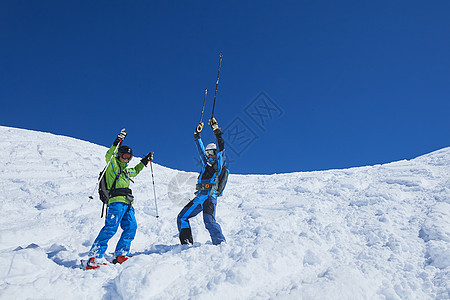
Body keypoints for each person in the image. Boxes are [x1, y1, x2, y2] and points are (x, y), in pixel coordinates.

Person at [86, 130, 153, 269]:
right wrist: (118, 141)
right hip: (116, 203)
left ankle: (121, 254)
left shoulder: (127, 171)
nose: (127, 159)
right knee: (111, 228)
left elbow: (136, 170)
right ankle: (94, 256)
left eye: (129, 157)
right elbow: (109, 155)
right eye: (124, 156)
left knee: (131, 227)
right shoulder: (113, 165)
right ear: (119, 155)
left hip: (128, 204)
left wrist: (145, 160)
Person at [177, 117, 227, 245]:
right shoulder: (206, 164)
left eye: (212, 153)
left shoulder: (218, 163)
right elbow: (200, 150)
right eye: (208, 152)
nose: (209, 155)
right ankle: (187, 242)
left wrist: (216, 131)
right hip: (201, 195)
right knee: (182, 217)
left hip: (209, 195)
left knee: (209, 221)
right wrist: (197, 136)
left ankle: (220, 243)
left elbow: (221, 148)